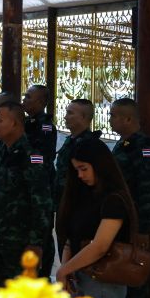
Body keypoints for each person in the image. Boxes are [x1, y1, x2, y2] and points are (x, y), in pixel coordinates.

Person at [55, 137, 139, 298]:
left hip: (102, 281)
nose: (80, 175)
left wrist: (64, 270)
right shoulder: (83, 194)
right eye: (76, 170)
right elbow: (70, 237)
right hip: (77, 275)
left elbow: (100, 246)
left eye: (84, 169)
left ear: (99, 165)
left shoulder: (114, 200)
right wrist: (67, 270)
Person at [109, 97, 150, 298]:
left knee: (134, 271)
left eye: (114, 115)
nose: (110, 120)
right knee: (122, 269)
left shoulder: (143, 148)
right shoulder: (124, 145)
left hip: (135, 223)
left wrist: (143, 228)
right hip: (121, 220)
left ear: (128, 119)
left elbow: (147, 192)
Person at [0, 101, 51, 286]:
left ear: (14, 123)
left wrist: (36, 242)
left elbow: (42, 204)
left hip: (20, 243)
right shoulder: (2, 152)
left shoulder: (31, 157)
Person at [54, 99, 100, 252]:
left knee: (76, 250)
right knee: (64, 249)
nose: (65, 116)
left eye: (70, 113)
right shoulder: (71, 140)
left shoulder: (89, 144)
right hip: (64, 204)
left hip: (79, 208)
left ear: (83, 117)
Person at [23, 84, 59, 276]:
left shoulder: (45, 127)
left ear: (41, 102)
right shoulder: (27, 123)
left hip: (41, 186)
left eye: (29, 97)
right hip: (27, 187)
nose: (24, 100)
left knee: (42, 234)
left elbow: (42, 158)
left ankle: (44, 274)